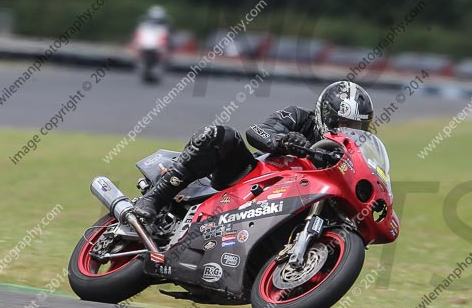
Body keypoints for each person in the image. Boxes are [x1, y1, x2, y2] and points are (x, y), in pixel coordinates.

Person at [133, 80, 375, 221]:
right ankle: (155, 198)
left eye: (356, 127)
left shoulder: (350, 153)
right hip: (251, 180)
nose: (347, 131)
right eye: (342, 124)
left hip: (295, 202)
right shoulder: (300, 117)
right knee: (220, 135)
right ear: (325, 115)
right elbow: (257, 131)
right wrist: (284, 141)